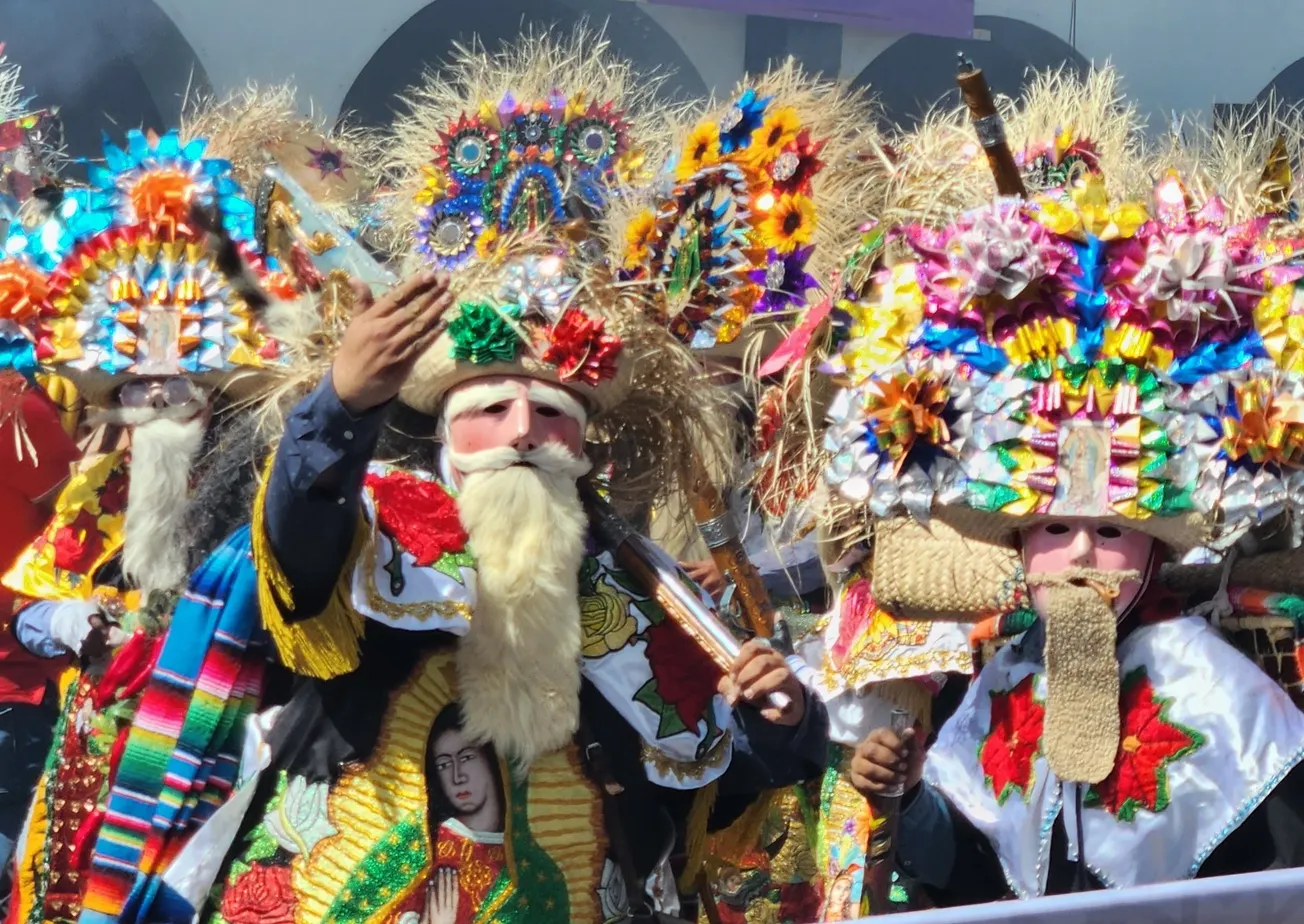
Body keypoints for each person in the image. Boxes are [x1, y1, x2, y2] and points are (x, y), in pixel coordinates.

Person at [832, 69, 1304, 902]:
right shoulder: (1008, 678)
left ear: (1156, 550)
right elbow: (968, 874)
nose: (1083, 551)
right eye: (1053, 529)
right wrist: (904, 796)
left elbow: (1269, 883)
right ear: (1018, 546)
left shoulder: (1223, 698)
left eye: (1113, 527)